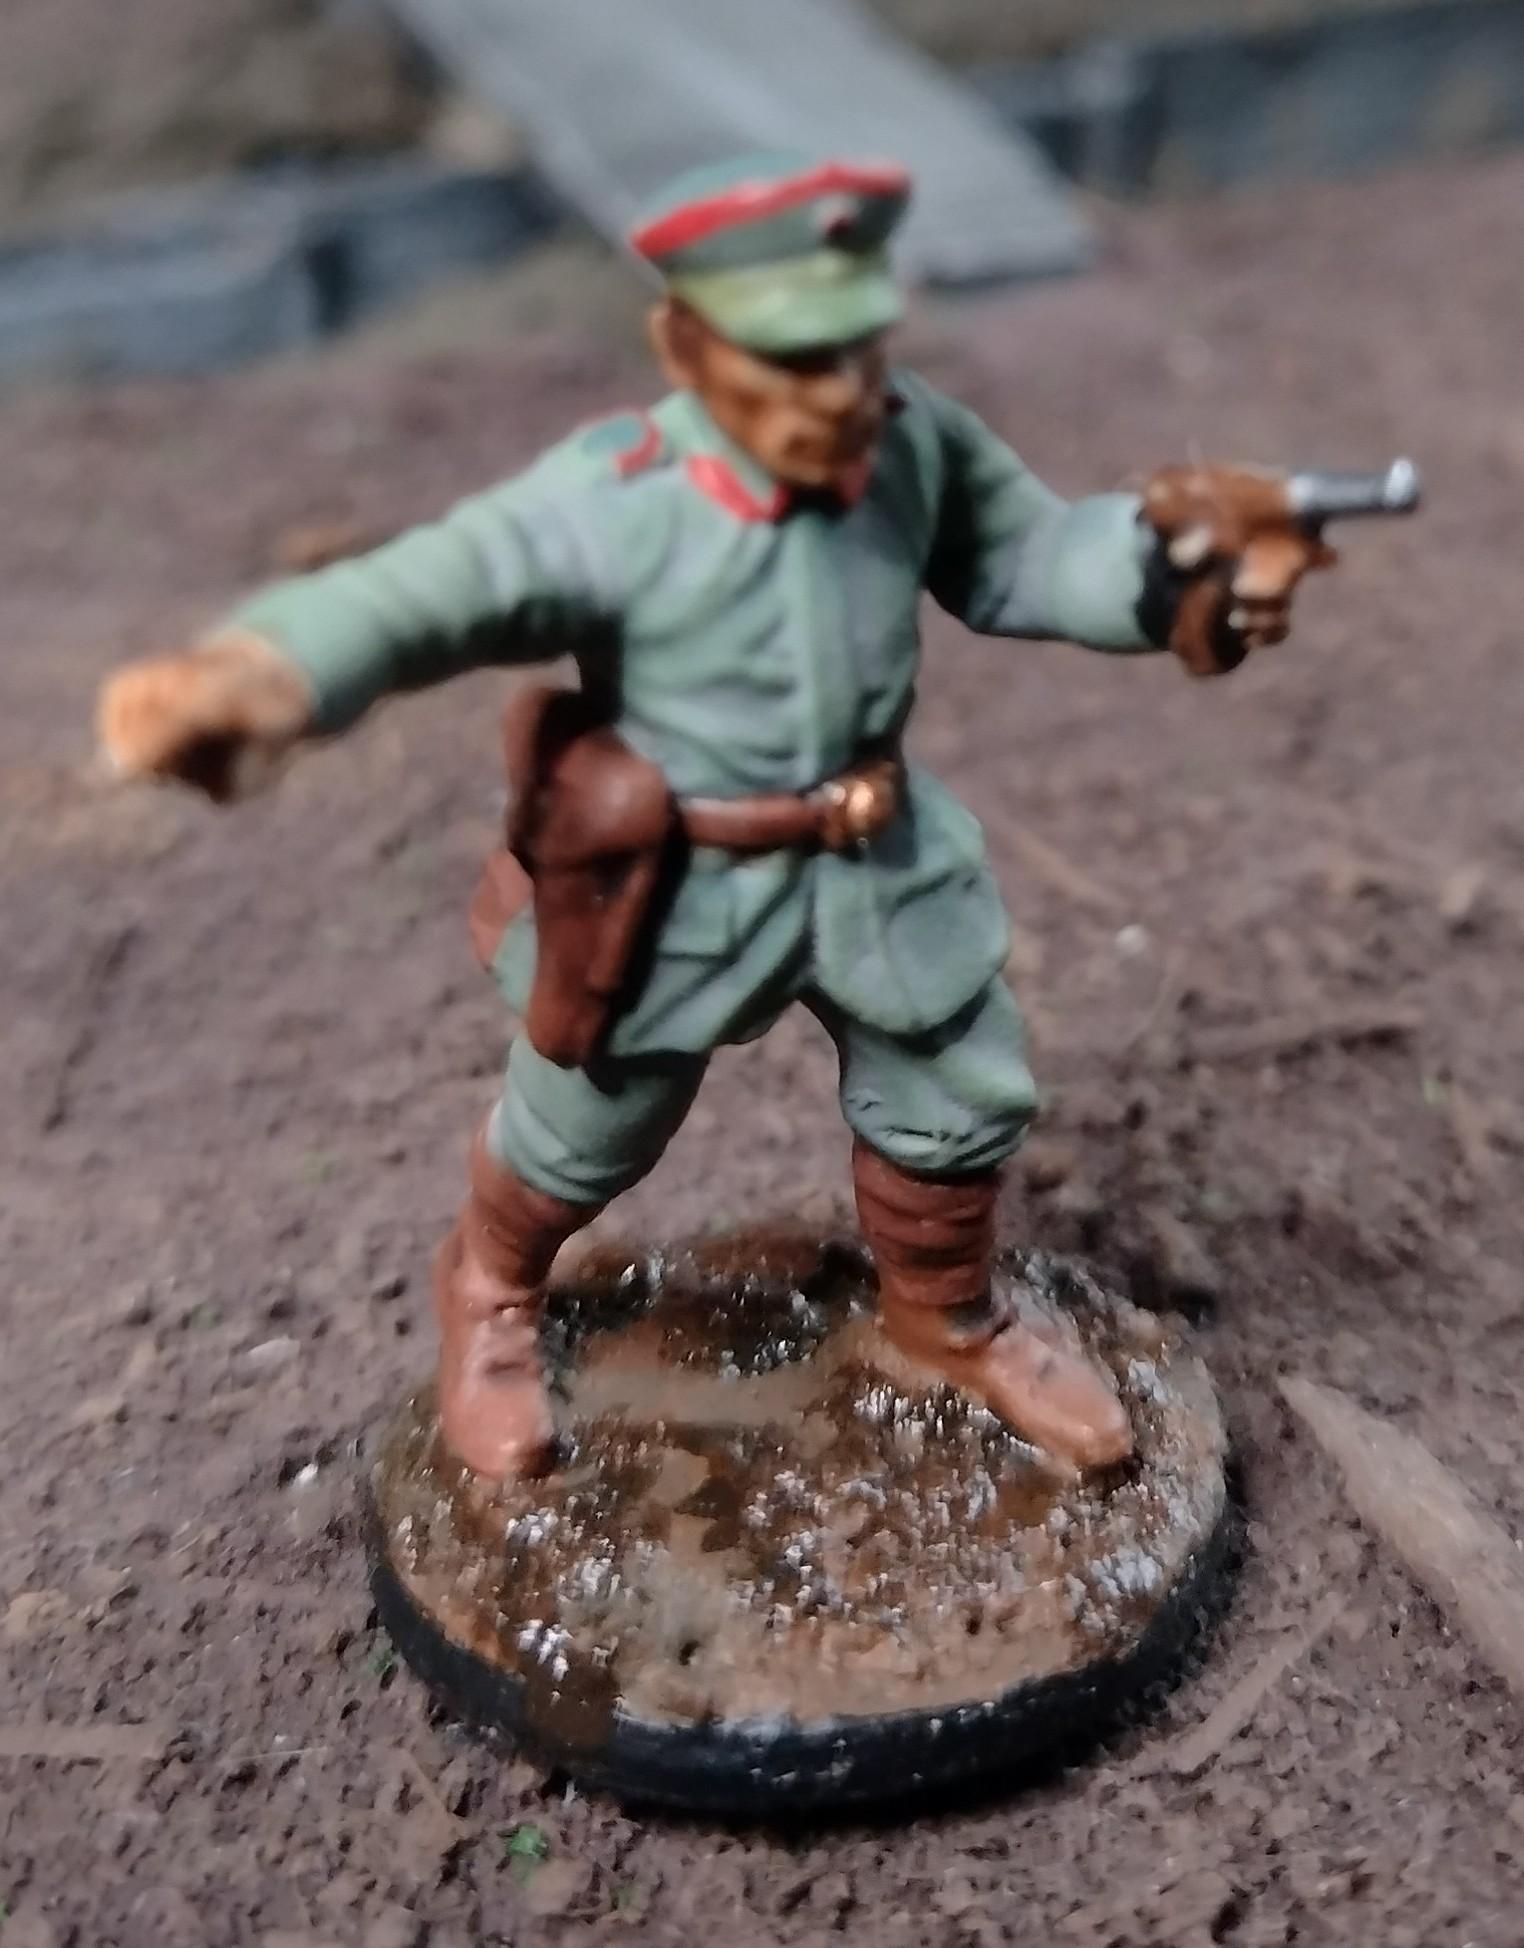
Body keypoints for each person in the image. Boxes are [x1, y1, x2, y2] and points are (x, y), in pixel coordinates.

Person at [98, 153, 1324, 1482]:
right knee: (586, 1125)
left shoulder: (911, 440)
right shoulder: (618, 495)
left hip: (877, 863)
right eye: (788, 363)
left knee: (956, 1089)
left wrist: (1168, 557)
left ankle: (945, 1318)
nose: (834, 394)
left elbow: (1029, 555)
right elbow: (426, 588)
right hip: (676, 885)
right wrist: (262, 671)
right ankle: (492, 1291)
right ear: (685, 345)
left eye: (853, 352)